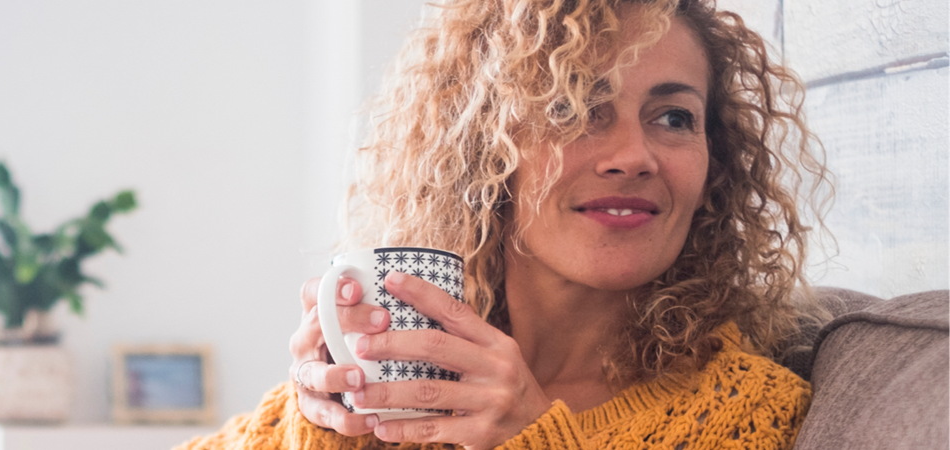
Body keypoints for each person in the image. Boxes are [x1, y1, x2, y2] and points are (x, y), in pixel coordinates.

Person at [178, 0, 830, 448]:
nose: (634, 155)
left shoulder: (750, 412)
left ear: (714, 163)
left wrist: (531, 436)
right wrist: (322, 420)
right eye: (575, 108)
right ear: (486, 151)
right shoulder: (403, 376)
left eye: (674, 118)